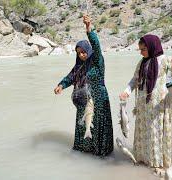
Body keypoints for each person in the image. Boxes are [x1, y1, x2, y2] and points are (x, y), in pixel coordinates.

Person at [119, 34, 172, 170]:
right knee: (144, 131)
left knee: (155, 131)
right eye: (140, 49)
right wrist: (127, 91)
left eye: (143, 49)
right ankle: (143, 159)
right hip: (143, 105)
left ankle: (156, 162)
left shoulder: (166, 60)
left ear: (152, 47)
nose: (141, 52)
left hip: (157, 104)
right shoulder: (142, 63)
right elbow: (134, 80)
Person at [54, 15, 113, 156]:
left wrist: (89, 28)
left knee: (98, 126)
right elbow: (70, 77)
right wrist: (61, 85)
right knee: (83, 126)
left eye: (83, 52)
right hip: (83, 100)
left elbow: (97, 46)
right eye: (78, 53)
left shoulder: (97, 61)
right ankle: (84, 152)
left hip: (97, 101)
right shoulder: (79, 66)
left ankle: (101, 153)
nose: (81, 55)